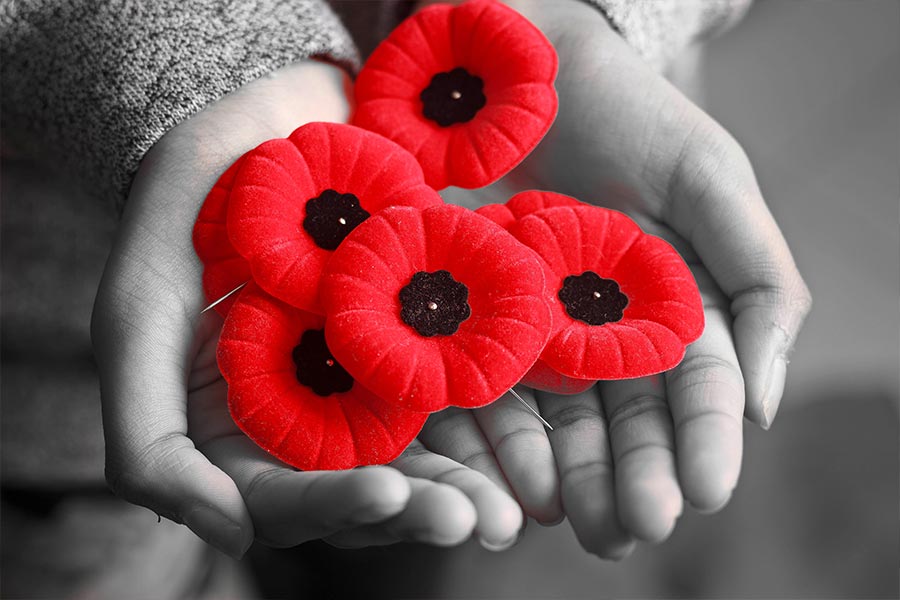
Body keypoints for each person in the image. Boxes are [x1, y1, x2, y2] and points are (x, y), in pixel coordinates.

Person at [1, 0, 810, 592]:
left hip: (543, 158)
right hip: (55, 381)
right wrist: (184, 56)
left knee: (408, 542)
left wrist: (571, 18)